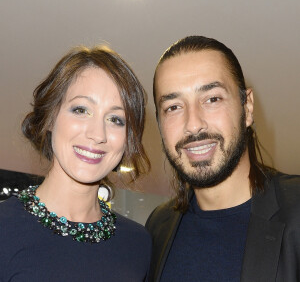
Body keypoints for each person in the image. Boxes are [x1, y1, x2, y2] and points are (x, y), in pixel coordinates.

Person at [145, 35, 300, 282]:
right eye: (173, 107)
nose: (193, 124)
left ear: (247, 108)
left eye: (212, 99)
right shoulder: (157, 226)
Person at [0, 45, 151, 281]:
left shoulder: (138, 243)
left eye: (115, 119)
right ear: (50, 117)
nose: (97, 134)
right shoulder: (4, 228)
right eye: (81, 110)